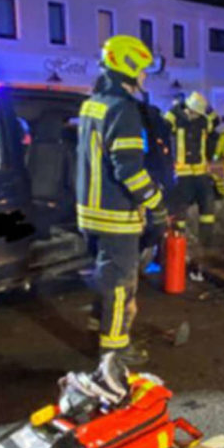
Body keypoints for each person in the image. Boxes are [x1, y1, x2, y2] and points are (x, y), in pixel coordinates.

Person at [76, 36, 167, 385]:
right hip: (116, 214)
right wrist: (155, 203)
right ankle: (114, 351)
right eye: (142, 70)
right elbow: (128, 169)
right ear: (128, 66)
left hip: (92, 212)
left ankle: (100, 326)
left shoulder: (93, 104)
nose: (144, 77)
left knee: (106, 276)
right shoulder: (122, 109)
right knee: (120, 284)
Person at [164, 91, 218, 281]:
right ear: (187, 109)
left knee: (208, 211)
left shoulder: (204, 120)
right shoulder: (174, 118)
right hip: (183, 174)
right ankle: (180, 250)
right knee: (179, 213)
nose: (196, 116)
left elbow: (215, 122)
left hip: (201, 173)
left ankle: (205, 249)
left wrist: (208, 109)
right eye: (194, 112)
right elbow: (162, 127)